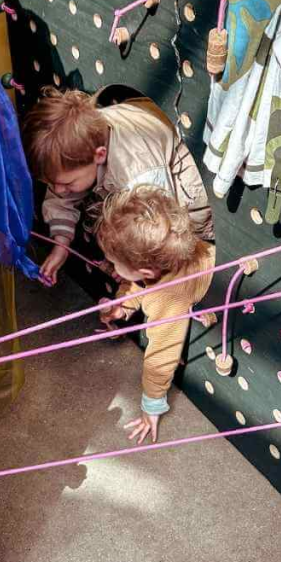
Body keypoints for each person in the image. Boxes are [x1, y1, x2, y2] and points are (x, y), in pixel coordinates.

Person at [22, 87, 214, 283]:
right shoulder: (80, 139)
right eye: (51, 183)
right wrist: (61, 244)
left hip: (185, 197)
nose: (59, 189)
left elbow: (159, 232)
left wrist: (128, 265)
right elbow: (61, 194)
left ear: (99, 154)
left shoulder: (139, 172)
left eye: (66, 183)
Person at [95, 186, 215, 445]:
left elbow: (162, 353)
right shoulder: (162, 255)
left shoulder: (167, 297)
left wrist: (152, 405)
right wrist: (121, 307)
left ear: (145, 270)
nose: (111, 267)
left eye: (114, 263)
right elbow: (138, 284)